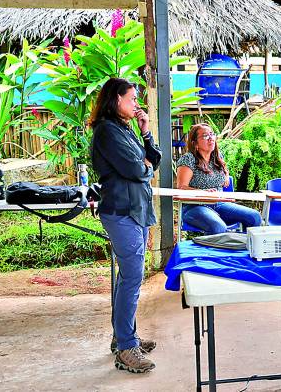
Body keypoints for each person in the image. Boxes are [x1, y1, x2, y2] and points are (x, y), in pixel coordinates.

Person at [90, 78, 161, 373]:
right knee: (131, 279)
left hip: (135, 210)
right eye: (131, 99)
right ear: (115, 99)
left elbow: (152, 162)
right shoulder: (107, 131)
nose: (136, 104)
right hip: (121, 211)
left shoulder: (125, 129)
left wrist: (146, 134)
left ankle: (123, 337)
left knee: (128, 278)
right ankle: (126, 348)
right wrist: (142, 167)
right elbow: (136, 168)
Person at [176, 124, 261, 234]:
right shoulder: (188, 159)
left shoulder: (217, 156)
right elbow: (181, 187)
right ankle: (212, 251)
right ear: (195, 143)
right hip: (195, 206)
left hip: (219, 203)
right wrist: (202, 192)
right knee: (218, 226)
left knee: (254, 217)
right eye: (205, 136)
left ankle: (242, 247)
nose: (211, 138)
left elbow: (225, 169)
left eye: (212, 134)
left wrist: (226, 175)